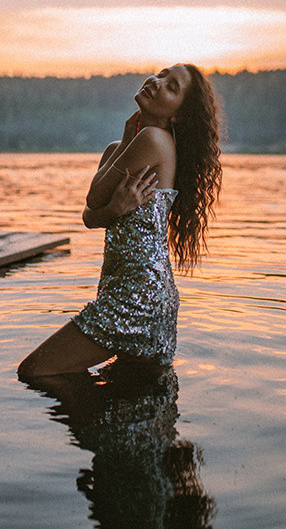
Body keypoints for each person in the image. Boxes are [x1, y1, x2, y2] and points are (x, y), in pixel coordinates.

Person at [17, 63, 222, 379]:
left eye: (171, 87)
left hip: (136, 296)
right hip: (141, 294)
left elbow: (93, 199)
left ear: (178, 115)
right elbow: (91, 216)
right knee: (131, 393)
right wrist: (115, 209)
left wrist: (110, 202)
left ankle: (91, 425)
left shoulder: (153, 140)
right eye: (161, 74)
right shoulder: (123, 148)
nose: (157, 81)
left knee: (34, 371)